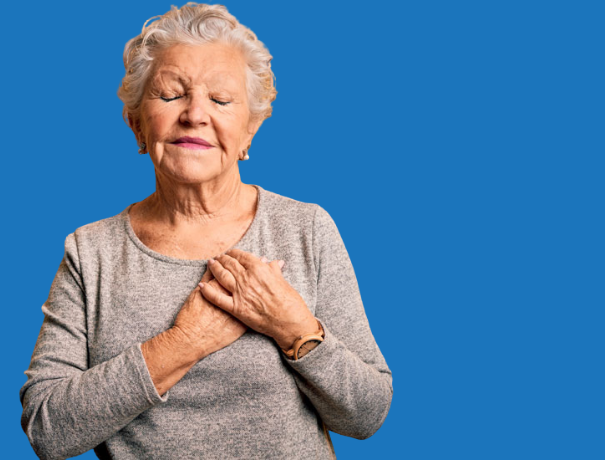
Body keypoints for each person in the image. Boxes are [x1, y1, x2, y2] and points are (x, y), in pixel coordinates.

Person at [19, 3, 392, 459]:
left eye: (220, 99)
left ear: (249, 130)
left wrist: (294, 328)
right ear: (136, 123)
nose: (195, 114)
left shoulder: (304, 228)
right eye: (171, 94)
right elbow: (47, 429)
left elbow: (367, 414)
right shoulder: (90, 252)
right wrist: (183, 343)